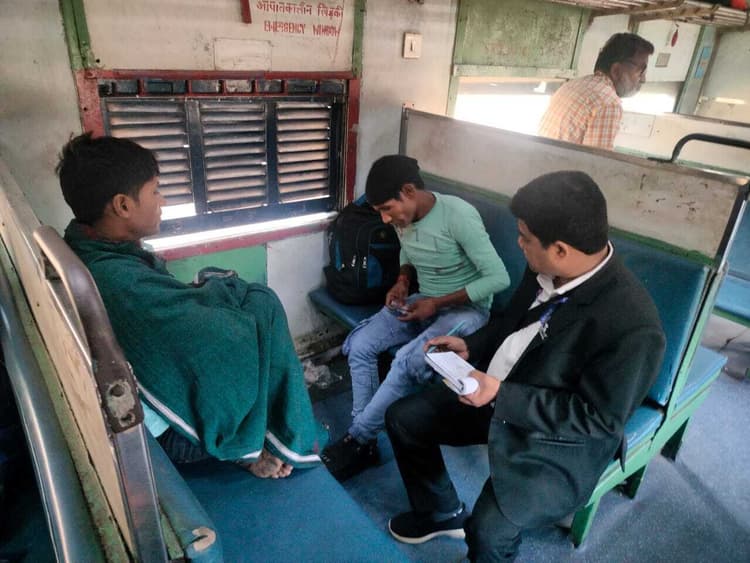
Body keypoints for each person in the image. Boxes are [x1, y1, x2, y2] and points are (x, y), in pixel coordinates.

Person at [384, 171, 666, 561]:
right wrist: (471, 344)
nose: (519, 244)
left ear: (561, 250)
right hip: (497, 392)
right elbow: (512, 322)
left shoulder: (632, 325)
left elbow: (598, 420)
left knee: (488, 531)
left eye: (525, 237)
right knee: (404, 419)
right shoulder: (544, 267)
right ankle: (440, 512)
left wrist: (503, 396)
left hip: (558, 435)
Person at [56, 132, 327, 479]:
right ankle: (250, 448)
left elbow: (171, 311)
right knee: (262, 308)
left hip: (145, 408)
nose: (163, 200)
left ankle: (274, 434)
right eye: (155, 190)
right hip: (171, 436)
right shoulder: (117, 281)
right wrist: (233, 300)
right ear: (123, 205)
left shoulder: (93, 250)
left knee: (238, 297)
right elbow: (221, 341)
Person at [321, 155, 510, 481]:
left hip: (467, 311)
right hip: (425, 301)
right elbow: (408, 251)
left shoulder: (458, 215)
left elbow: (499, 278)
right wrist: (403, 281)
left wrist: (437, 303)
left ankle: (358, 438)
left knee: (407, 362)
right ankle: (363, 440)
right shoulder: (404, 218)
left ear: (409, 191)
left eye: (387, 209)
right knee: (360, 344)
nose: (384, 219)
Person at [538, 33, 655, 150]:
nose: (643, 79)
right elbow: (596, 160)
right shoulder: (609, 103)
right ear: (616, 71)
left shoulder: (573, 84)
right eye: (641, 71)